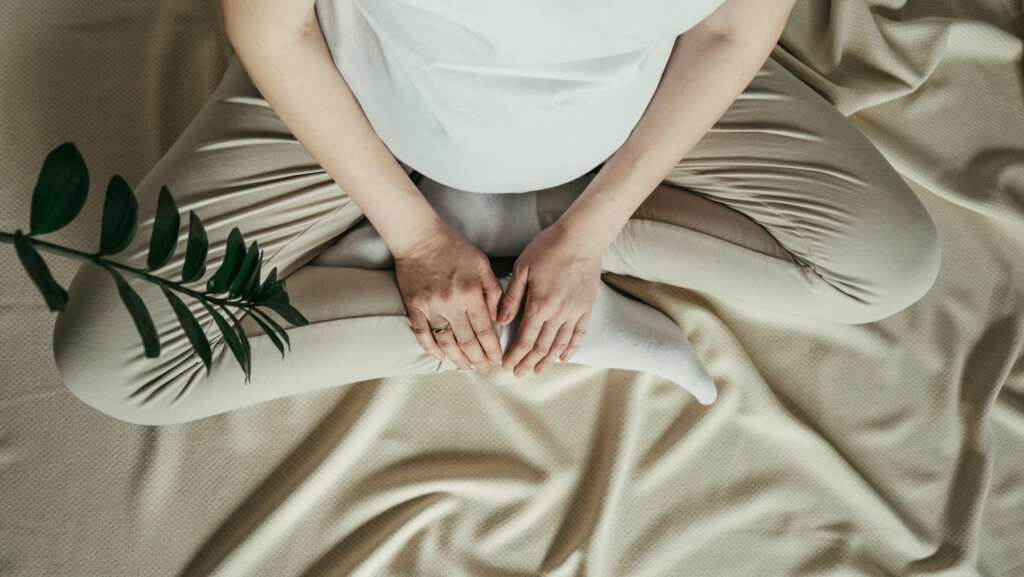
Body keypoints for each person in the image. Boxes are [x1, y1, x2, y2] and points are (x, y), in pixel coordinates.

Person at [52, 0, 941, 425]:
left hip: (626, 110)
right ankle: (506, 298)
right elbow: (276, 28)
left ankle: (526, 242)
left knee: (889, 263)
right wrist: (412, 237)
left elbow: (726, 32)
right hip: (365, 106)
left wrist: (587, 237)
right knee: (114, 362)